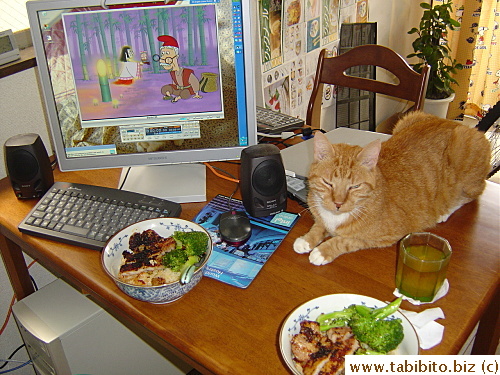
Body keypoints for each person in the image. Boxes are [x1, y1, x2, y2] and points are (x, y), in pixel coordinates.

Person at [157, 35, 202, 102]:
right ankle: (169, 95)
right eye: (163, 54)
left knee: (185, 93)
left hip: (187, 90)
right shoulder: (172, 72)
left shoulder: (187, 72)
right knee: (165, 88)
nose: (164, 57)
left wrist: (196, 93)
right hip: (178, 89)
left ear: (176, 56)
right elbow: (174, 83)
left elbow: (194, 82)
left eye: (167, 53)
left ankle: (178, 98)